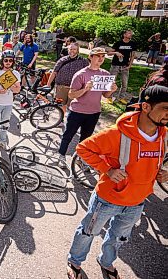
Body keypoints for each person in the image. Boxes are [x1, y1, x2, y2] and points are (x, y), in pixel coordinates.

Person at [66, 85, 168, 279]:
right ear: (146, 107)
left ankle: (106, 262)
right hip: (107, 200)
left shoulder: (164, 134)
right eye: (165, 108)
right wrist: (107, 170)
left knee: (118, 238)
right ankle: (74, 261)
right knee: (88, 232)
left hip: (137, 202)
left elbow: (152, 160)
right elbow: (83, 148)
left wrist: (162, 172)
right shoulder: (117, 134)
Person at [58, 48, 117, 164]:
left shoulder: (105, 74)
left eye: (103, 57)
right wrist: (85, 89)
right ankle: (61, 156)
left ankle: (80, 159)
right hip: (77, 111)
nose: (100, 59)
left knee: (86, 139)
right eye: (98, 56)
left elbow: (105, 95)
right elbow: (71, 94)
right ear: (90, 57)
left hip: (94, 112)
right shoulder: (81, 74)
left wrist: (112, 90)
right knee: (68, 135)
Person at [0, 50, 21, 150]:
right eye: (6, 60)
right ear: (2, 61)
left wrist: (10, 87)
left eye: (10, 60)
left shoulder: (16, 74)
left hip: (8, 103)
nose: (8, 62)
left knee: (5, 124)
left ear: (13, 62)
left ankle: (2, 141)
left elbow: (18, 89)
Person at [46, 43, 89, 116]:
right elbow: (54, 72)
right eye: (70, 49)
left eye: (74, 49)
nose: (72, 51)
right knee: (61, 105)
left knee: (73, 106)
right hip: (61, 87)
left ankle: (71, 122)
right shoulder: (62, 60)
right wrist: (48, 84)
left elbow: (88, 74)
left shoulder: (83, 61)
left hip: (75, 88)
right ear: (68, 50)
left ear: (78, 50)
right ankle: (61, 120)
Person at [108, 29, 137, 104]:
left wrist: (130, 65)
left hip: (125, 66)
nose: (131, 34)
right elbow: (109, 53)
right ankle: (109, 97)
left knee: (125, 84)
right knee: (111, 82)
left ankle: (121, 98)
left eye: (131, 33)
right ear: (124, 35)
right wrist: (116, 52)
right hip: (115, 66)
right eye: (129, 33)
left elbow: (133, 55)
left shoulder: (132, 44)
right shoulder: (118, 43)